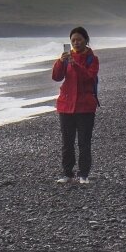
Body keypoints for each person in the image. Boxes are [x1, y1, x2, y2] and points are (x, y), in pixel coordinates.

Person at [51, 26, 100, 185]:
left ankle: (83, 174)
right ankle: (67, 173)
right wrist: (60, 62)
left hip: (85, 106)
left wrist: (75, 64)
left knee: (84, 142)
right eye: (73, 40)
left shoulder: (93, 59)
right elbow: (56, 77)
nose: (76, 43)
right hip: (66, 106)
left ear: (86, 40)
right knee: (67, 142)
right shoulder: (66, 58)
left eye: (79, 39)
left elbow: (89, 77)